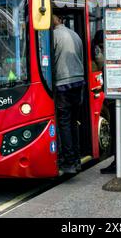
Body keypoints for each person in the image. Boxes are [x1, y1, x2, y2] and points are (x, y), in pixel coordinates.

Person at [52, 12, 85, 175]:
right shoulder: (75, 35)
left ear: (57, 19)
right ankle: (77, 160)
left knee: (64, 123)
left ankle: (69, 162)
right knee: (72, 122)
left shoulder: (52, 36)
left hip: (63, 83)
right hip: (78, 82)